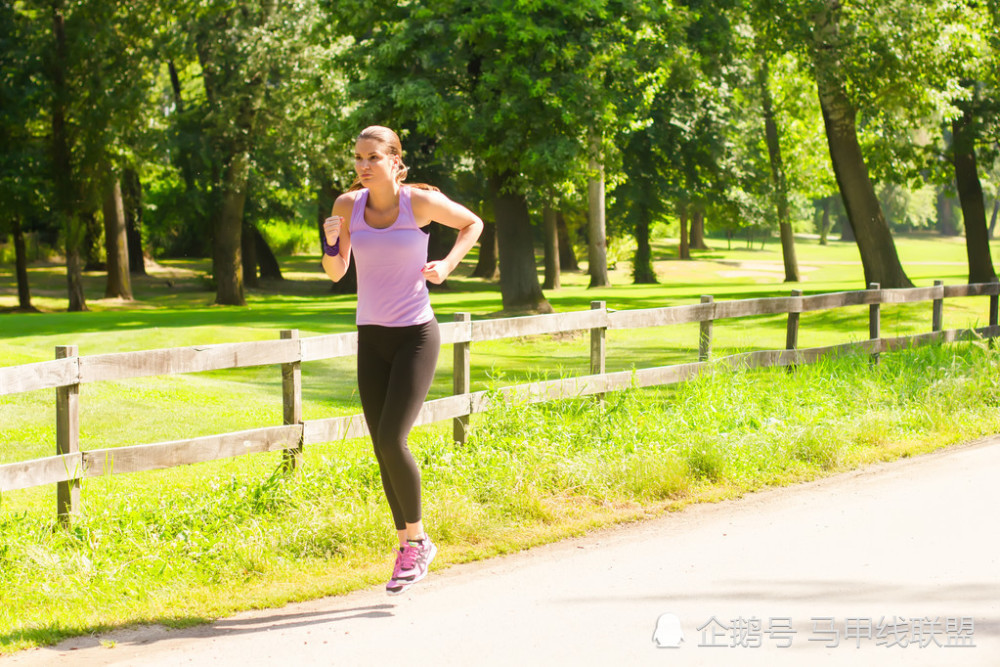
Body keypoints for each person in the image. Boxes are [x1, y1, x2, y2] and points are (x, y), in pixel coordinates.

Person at [321, 125, 483, 595]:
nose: (363, 166)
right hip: (371, 337)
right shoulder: (347, 207)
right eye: (357, 158)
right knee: (381, 446)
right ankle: (405, 548)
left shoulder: (419, 203)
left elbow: (473, 223)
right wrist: (332, 241)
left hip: (415, 335)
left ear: (395, 161)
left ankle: (419, 540)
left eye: (372, 157)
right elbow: (336, 273)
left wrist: (448, 265)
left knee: (393, 438)